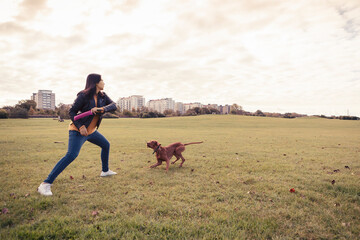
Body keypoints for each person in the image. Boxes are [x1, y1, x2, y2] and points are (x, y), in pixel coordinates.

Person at [38, 73, 118, 196]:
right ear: (96, 82)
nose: (104, 82)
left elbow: (114, 105)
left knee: (106, 145)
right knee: (71, 155)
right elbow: (72, 111)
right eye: (102, 80)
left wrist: (102, 109)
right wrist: (80, 126)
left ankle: (105, 171)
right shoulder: (83, 95)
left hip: (91, 131)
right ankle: (45, 184)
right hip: (78, 130)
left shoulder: (102, 96)